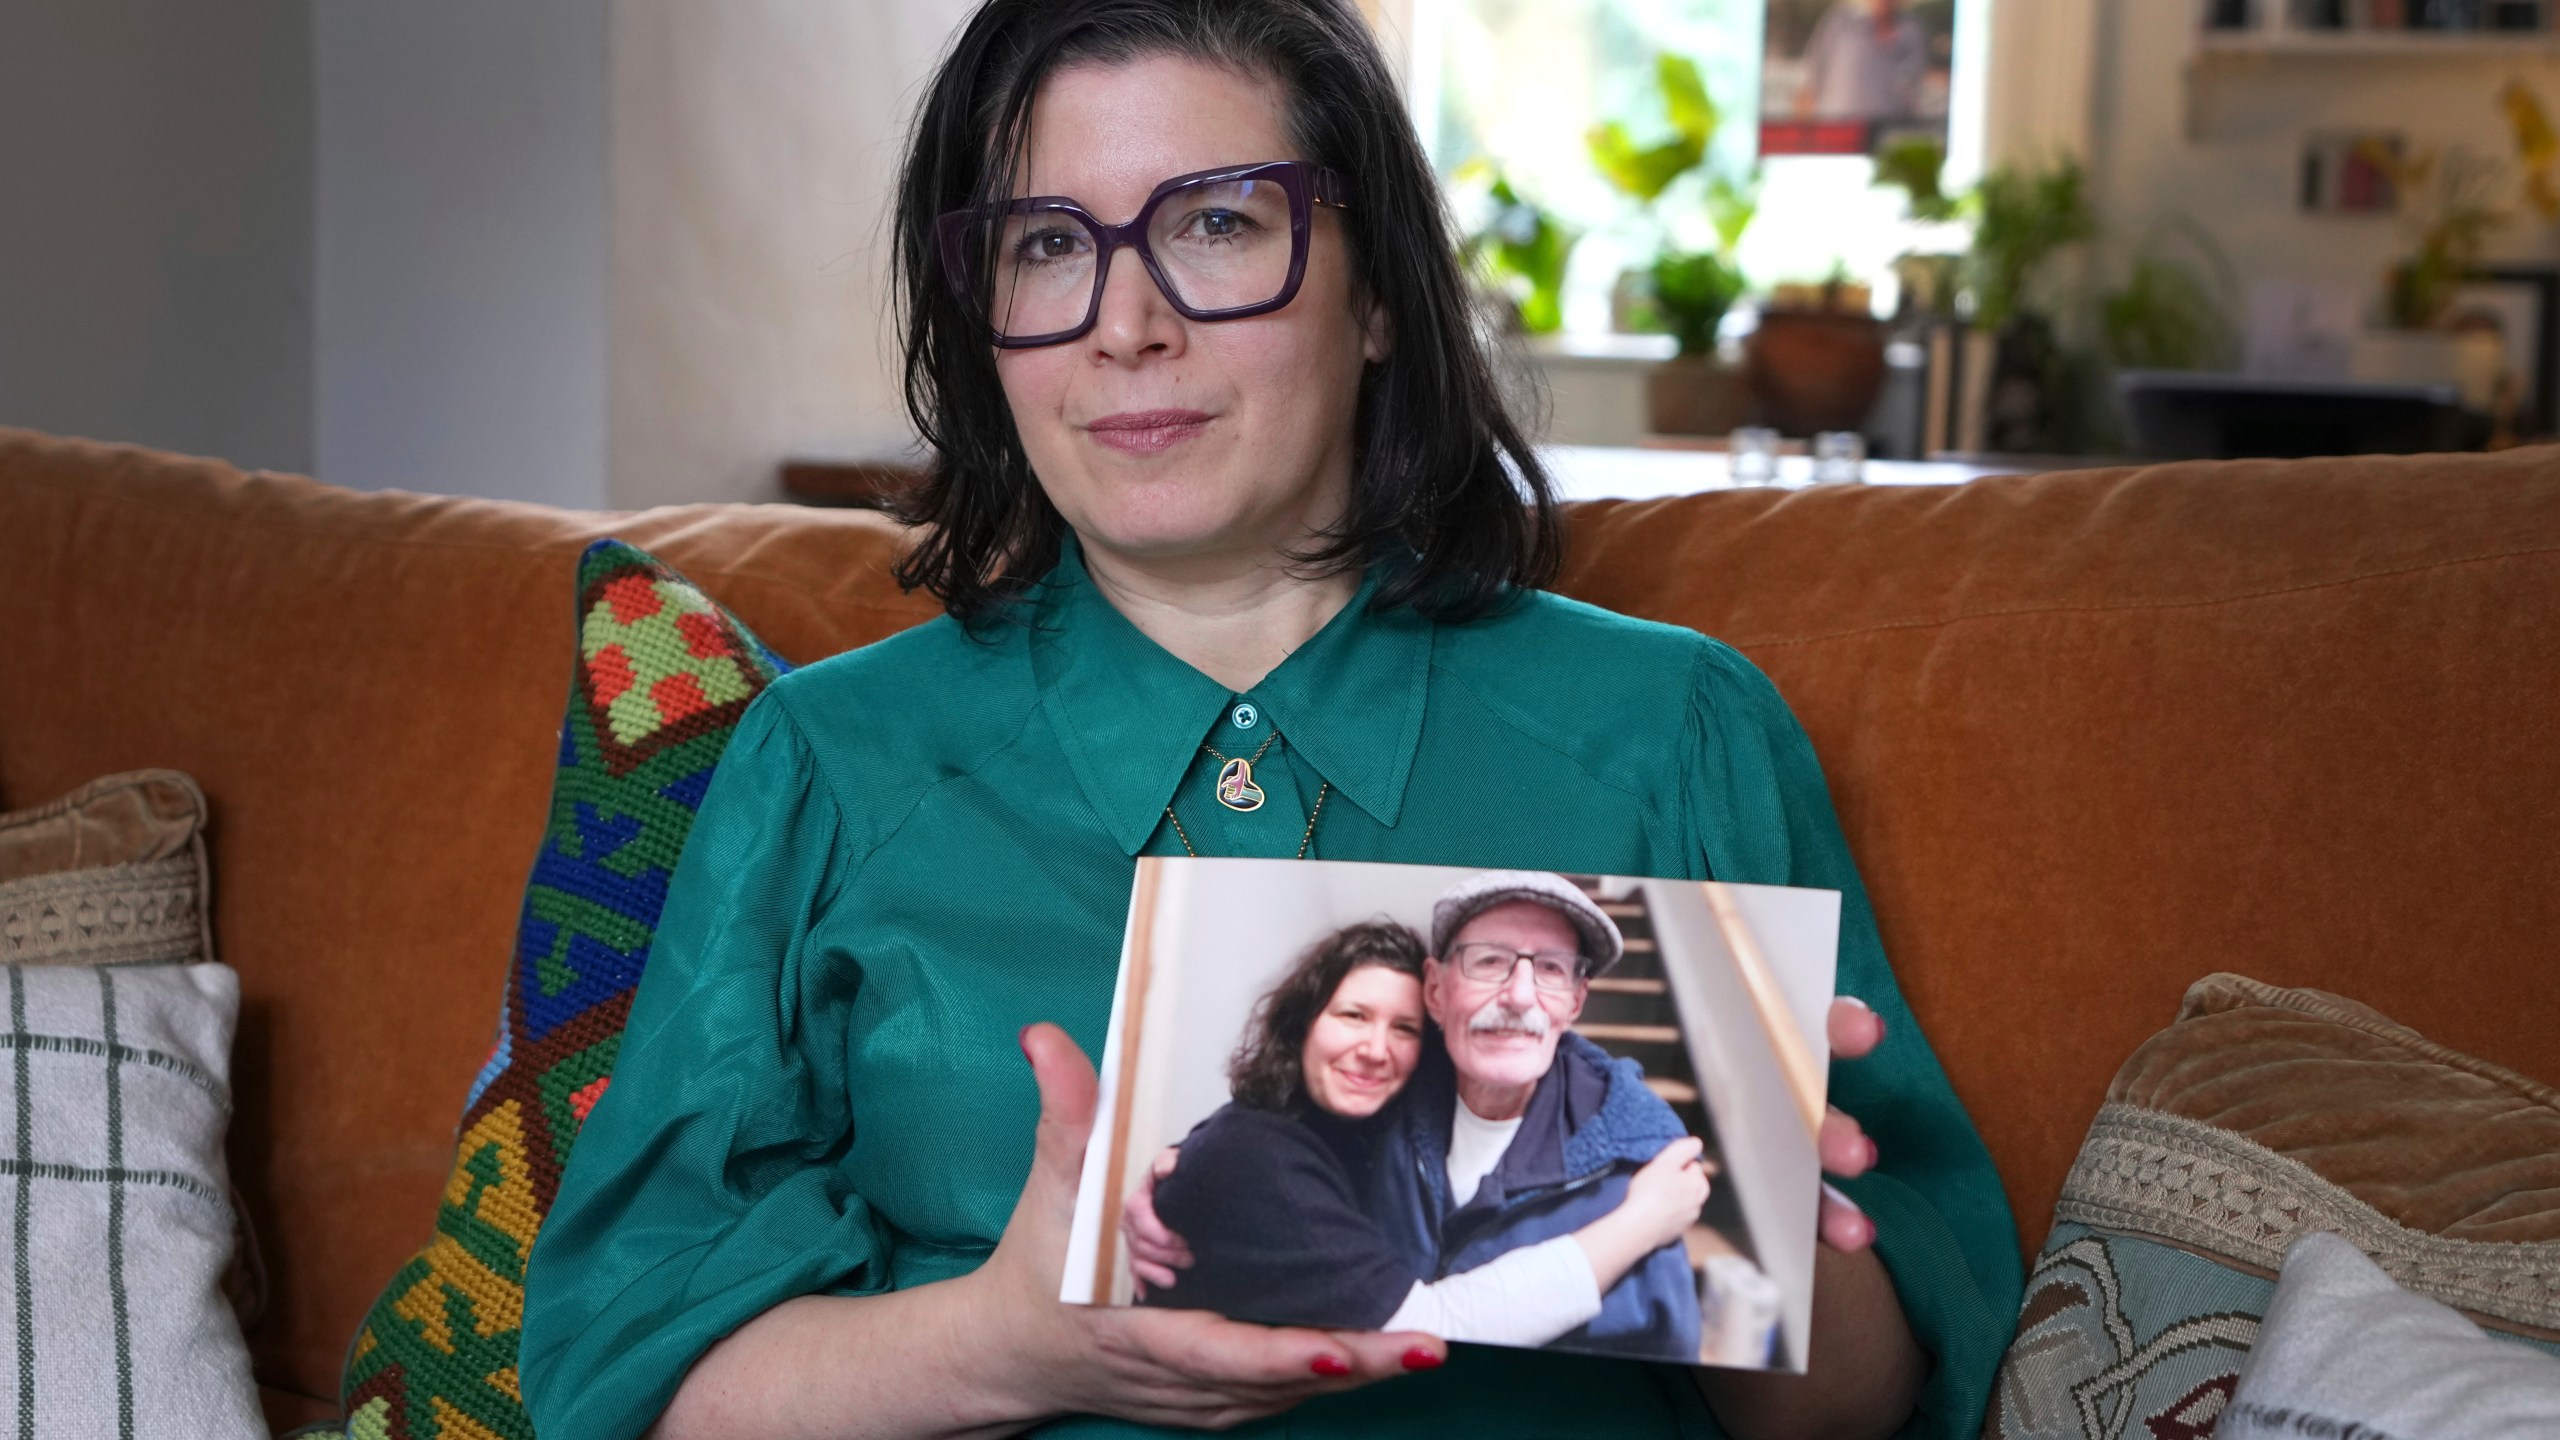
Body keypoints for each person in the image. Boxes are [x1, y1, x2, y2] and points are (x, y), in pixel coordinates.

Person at [518, 2, 2022, 1438]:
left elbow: (1871, 1403)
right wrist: (997, 1346)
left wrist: (1755, 1235)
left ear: (1376, 296)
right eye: (1049, 247)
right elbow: (624, 1377)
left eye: (1218, 224)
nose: (1124, 324)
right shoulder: (833, 767)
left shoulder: (1676, 728)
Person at [1131, 872, 1710, 1362]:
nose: (1519, 995)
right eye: (1490, 962)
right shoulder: (1380, 1104)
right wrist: (1184, 1164)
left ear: (1575, 1004)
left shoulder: (1640, 1175)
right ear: (1438, 992)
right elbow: (1268, 1130)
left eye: (1553, 970)